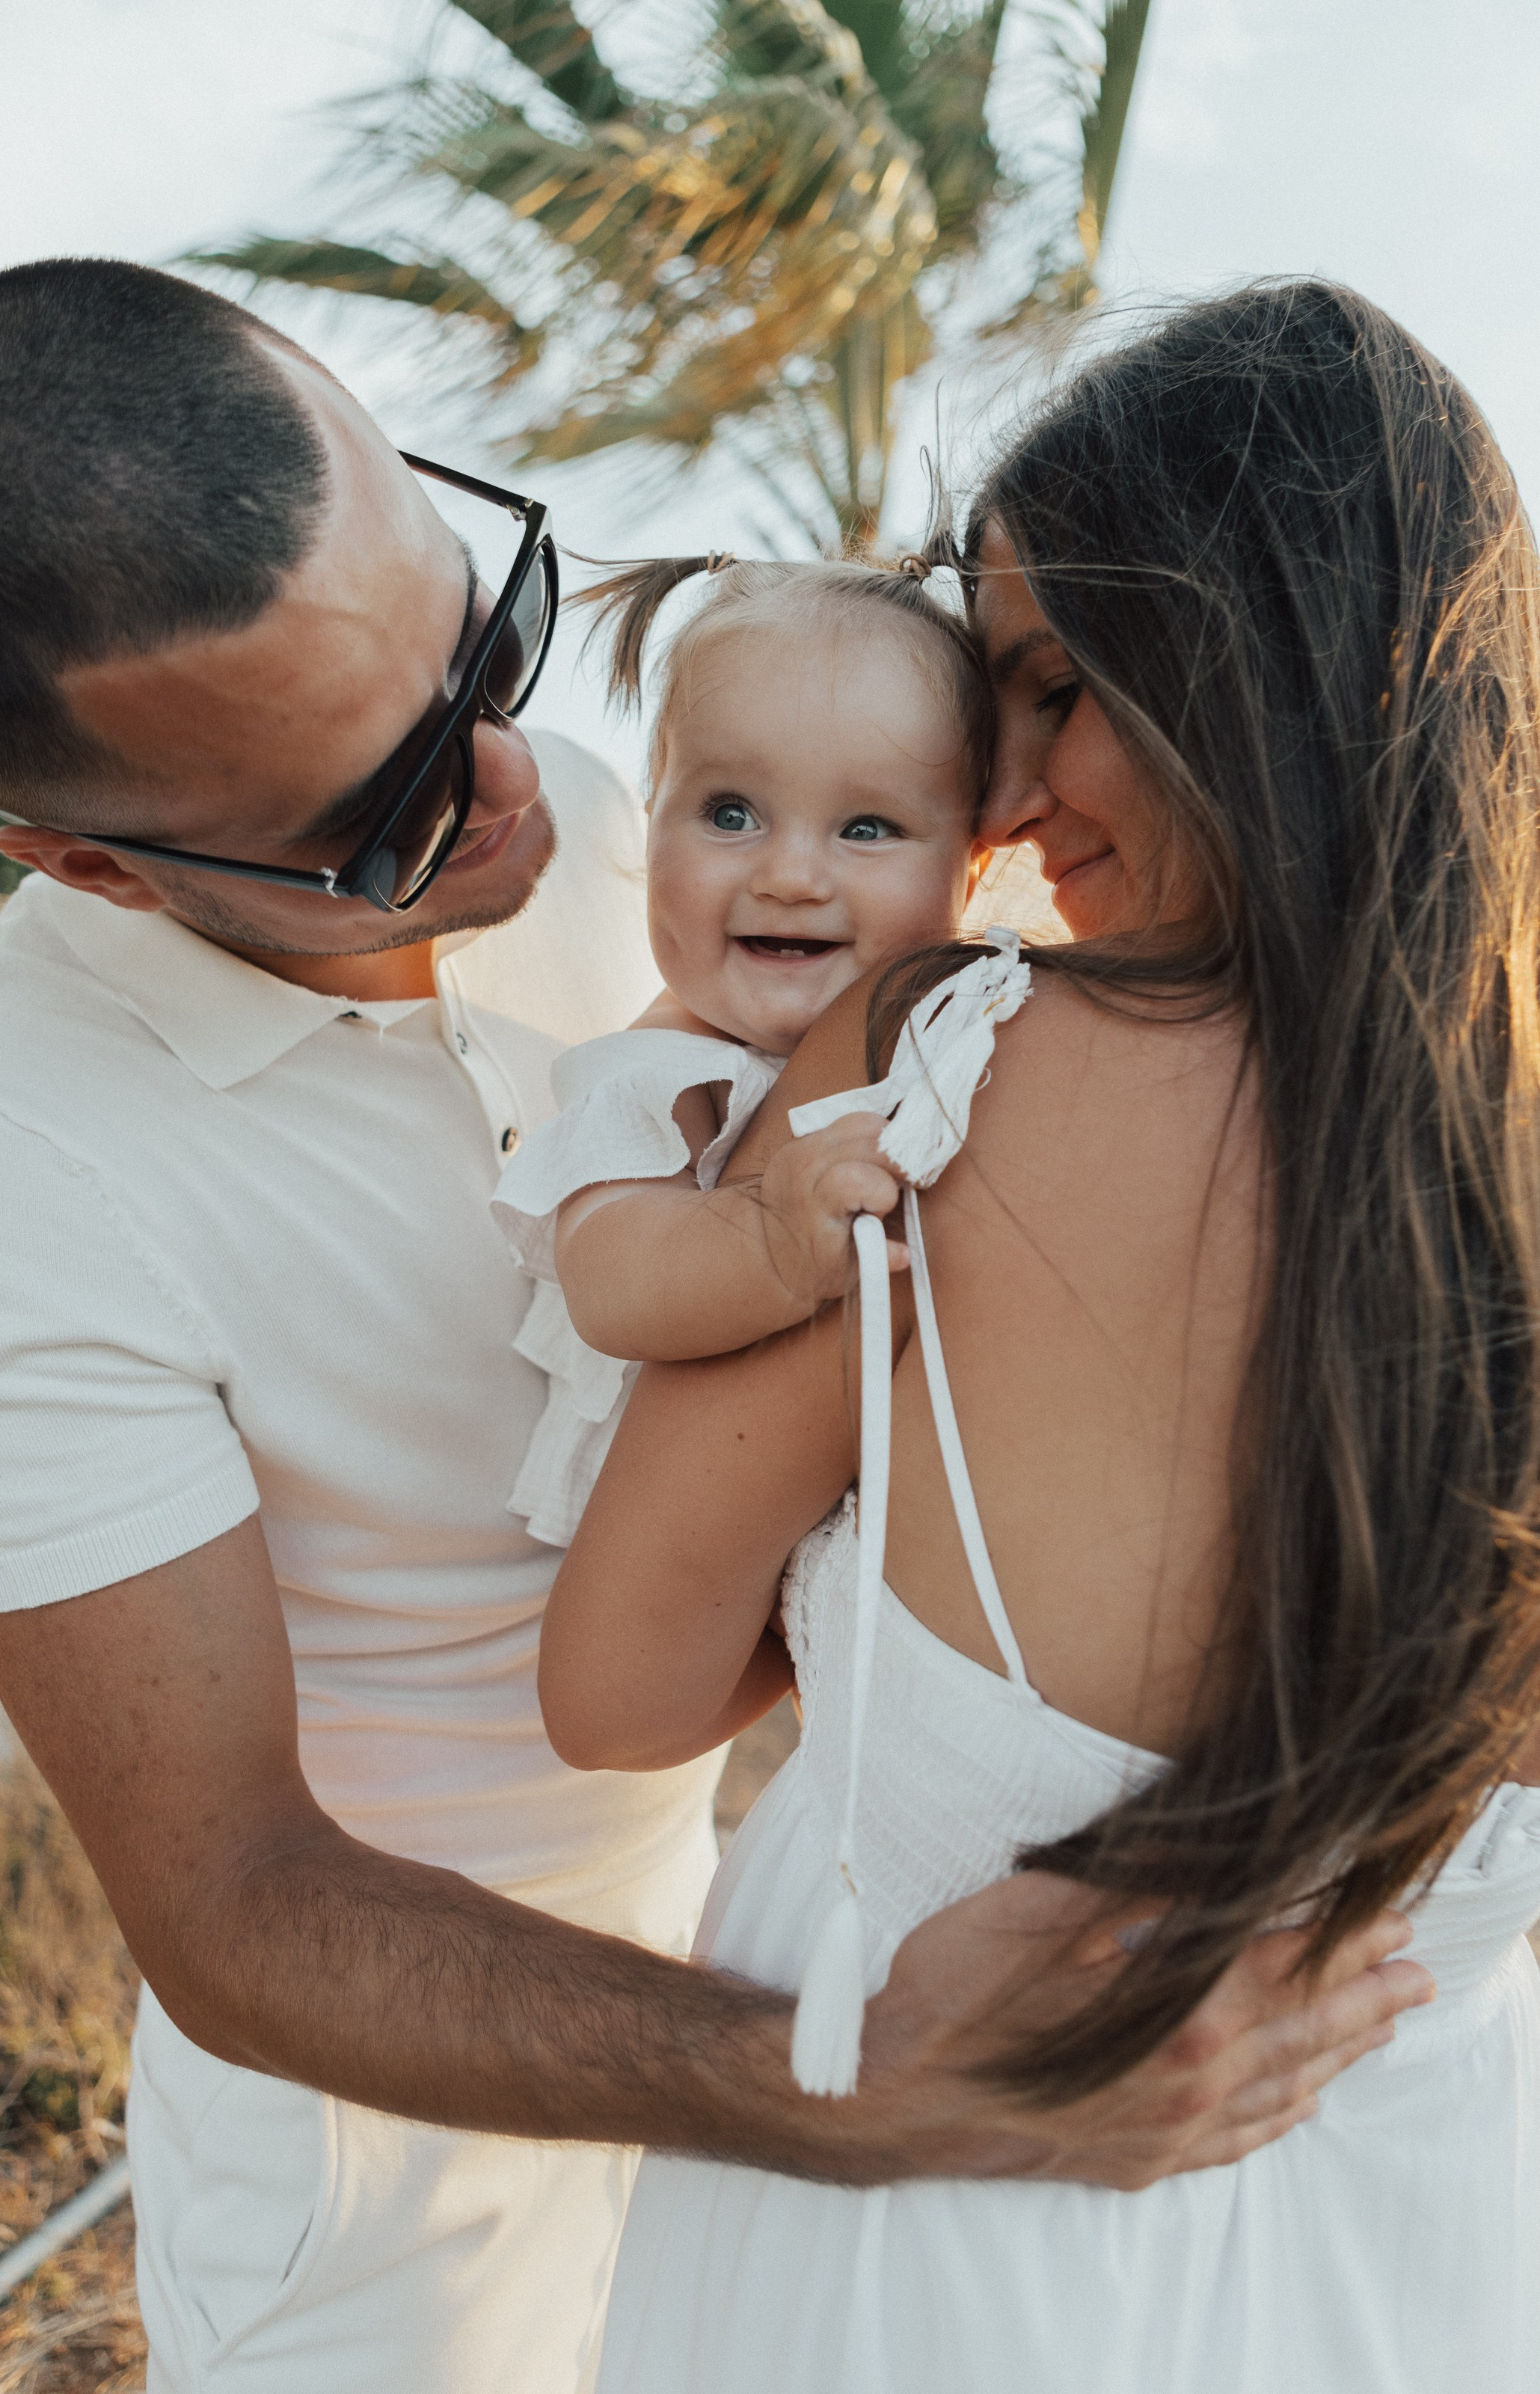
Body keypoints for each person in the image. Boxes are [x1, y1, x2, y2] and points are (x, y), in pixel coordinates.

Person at [0, 260, 1426, 2394]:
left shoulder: (610, 843)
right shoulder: (8, 1179)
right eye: (383, 810)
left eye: (491, 639)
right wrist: (849, 2076)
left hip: (763, 1964)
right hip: (396, 2219)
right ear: (89, 867)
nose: (514, 785)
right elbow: (236, 1904)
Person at [540, 282, 1540, 2391]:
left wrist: (854, 1557)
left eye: (1056, 689)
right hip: (1424, 2264)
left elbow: (619, 1690)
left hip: (925, 2249)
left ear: (1257, 666)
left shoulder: (937, 1061)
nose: (996, 795)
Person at [491, 548, 999, 1549]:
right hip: (677, 1534)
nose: (791, 875)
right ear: (652, 829)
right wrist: (766, 1237)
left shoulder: (952, 1043)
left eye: (867, 827)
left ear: (969, 873)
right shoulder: (662, 1072)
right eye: (730, 815)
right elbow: (612, 1277)